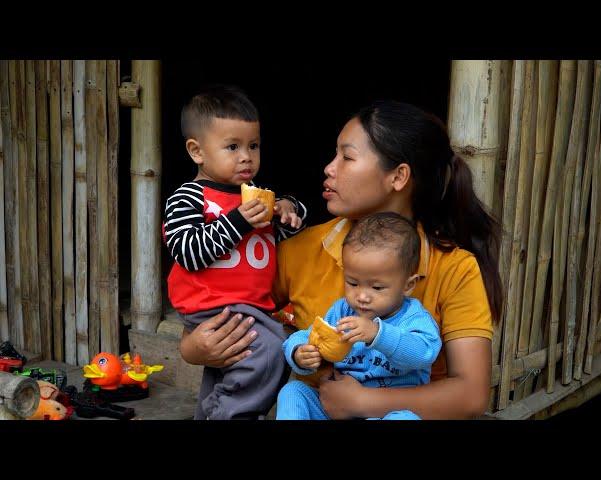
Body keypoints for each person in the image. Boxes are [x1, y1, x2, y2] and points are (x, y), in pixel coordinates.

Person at [180, 99, 502, 419]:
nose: (329, 168)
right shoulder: (300, 250)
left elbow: (471, 395)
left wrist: (365, 403)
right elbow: (225, 310)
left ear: (398, 177)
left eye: (347, 157)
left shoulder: (454, 268)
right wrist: (192, 347)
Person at [163, 85, 307, 420]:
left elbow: (284, 233)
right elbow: (187, 251)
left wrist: (288, 210)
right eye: (233, 146)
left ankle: (211, 413)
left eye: (253, 146)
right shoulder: (190, 197)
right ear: (197, 152)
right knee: (269, 352)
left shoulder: (256, 198)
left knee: (230, 366)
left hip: (249, 306)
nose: (246, 156)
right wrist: (239, 220)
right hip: (211, 302)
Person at [276, 212, 441, 420]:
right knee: (293, 392)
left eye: (377, 287)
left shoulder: (414, 318)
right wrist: (299, 353)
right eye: (352, 283)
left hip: (383, 412)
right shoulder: (343, 310)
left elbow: (424, 353)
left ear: (408, 285)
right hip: (335, 409)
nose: (362, 296)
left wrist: (377, 334)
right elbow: (310, 334)